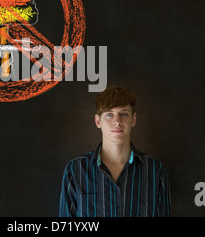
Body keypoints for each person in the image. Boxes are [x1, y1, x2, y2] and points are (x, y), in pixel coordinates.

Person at [59, 86, 171, 217]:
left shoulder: (156, 172)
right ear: (97, 121)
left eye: (124, 114)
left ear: (133, 119)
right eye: (109, 114)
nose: (117, 121)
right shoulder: (75, 171)